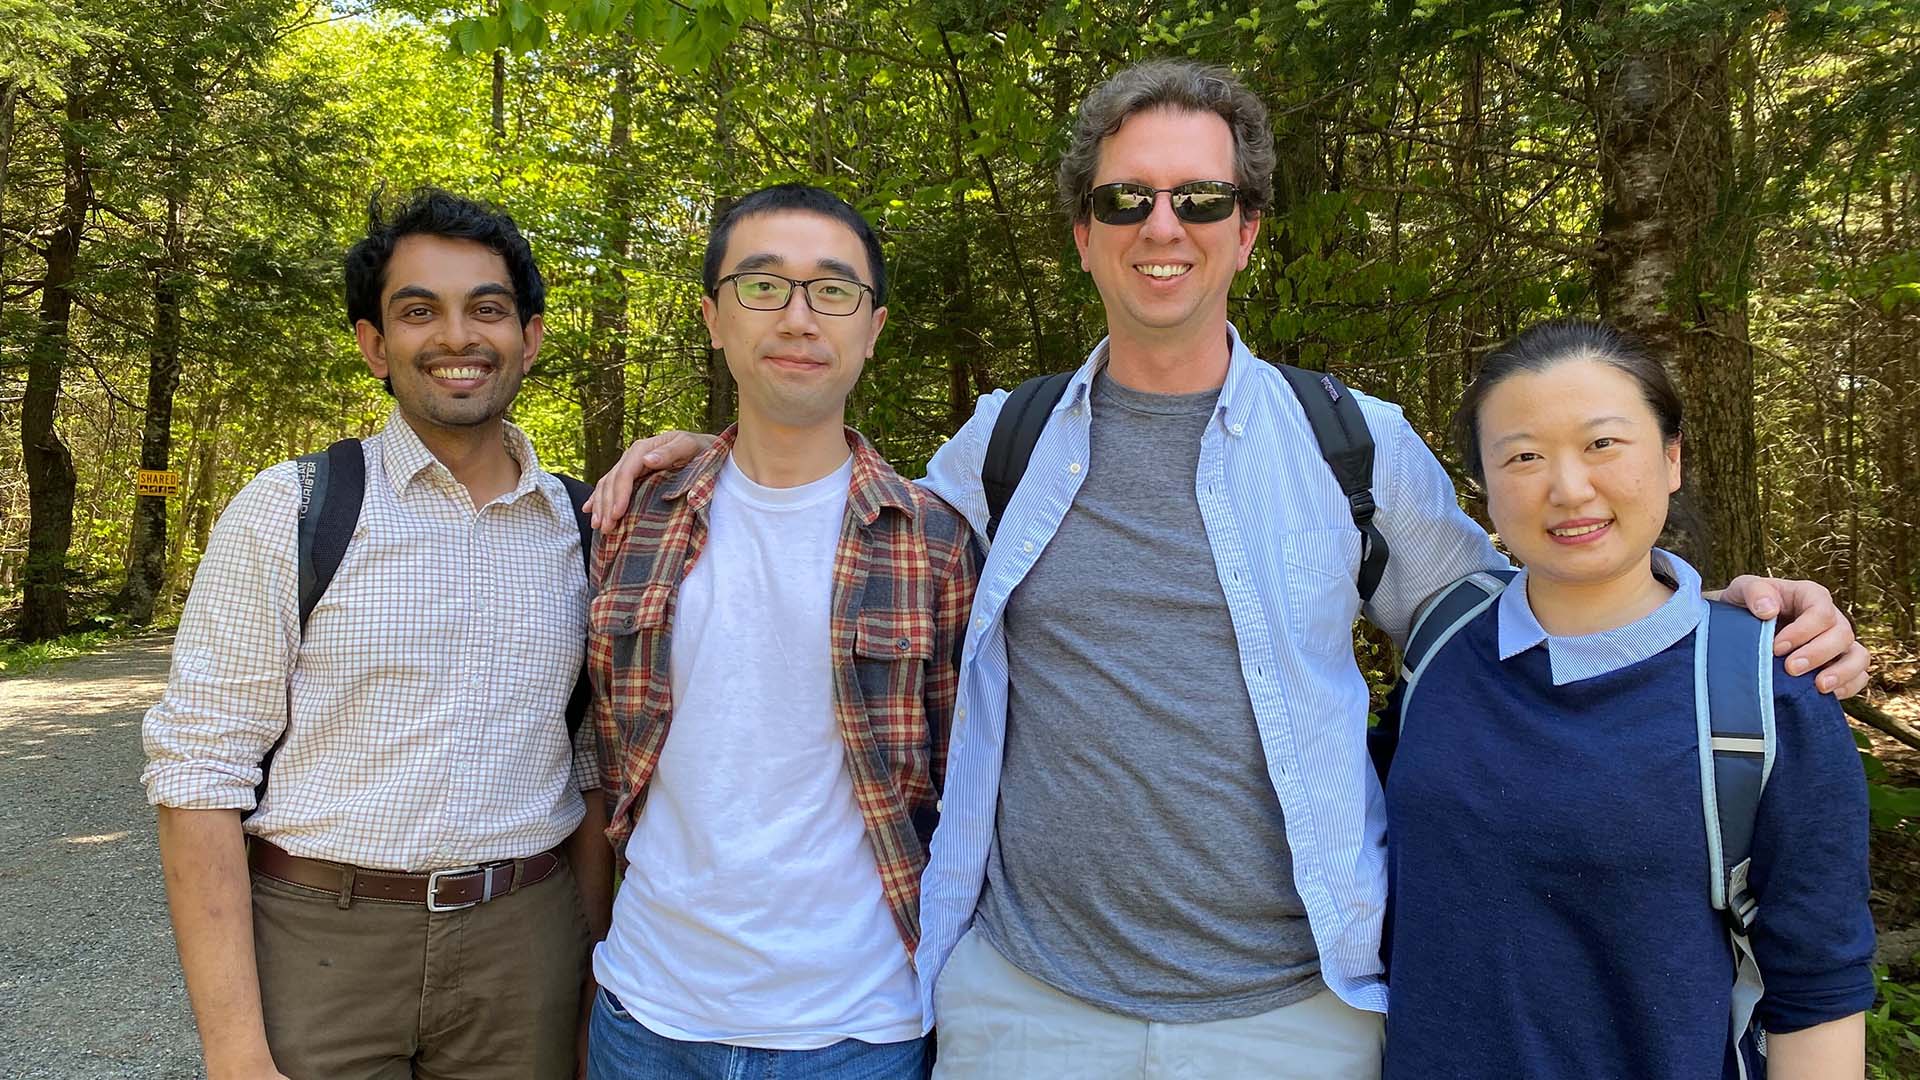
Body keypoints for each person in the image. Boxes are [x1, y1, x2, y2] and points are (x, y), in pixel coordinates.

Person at [588, 62, 1869, 1078]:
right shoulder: (1002, 444)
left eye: (1198, 200)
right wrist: (713, 449)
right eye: (1126, 199)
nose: (1163, 227)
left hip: (1299, 1014)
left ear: (1245, 230)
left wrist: (1724, 620)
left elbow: (1535, 610)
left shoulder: (1350, 442)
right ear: (1083, 235)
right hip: (1028, 1010)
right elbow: (843, 520)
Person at [143, 188, 612, 1080]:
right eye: (418, 311)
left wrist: (586, 977)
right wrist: (235, 1050)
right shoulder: (292, 508)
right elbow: (198, 772)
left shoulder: (585, 528)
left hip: (527, 946)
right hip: (322, 940)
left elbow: (588, 764)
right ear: (374, 346)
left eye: (487, 307)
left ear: (531, 336)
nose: (457, 337)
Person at [1381, 319, 1874, 1080]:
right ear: (1483, 486)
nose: (1568, 487)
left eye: (1603, 444)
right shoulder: (1443, 646)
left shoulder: (1767, 690)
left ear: (1672, 459)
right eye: (1524, 456)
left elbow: (1818, 985)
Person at [583, 183, 976, 1080]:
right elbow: (599, 760)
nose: (799, 317)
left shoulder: (938, 544)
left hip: (861, 1030)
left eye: (832, 291)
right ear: (714, 317)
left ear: (872, 328)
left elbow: (969, 792)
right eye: (763, 286)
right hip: (646, 1018)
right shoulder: (625, 521)